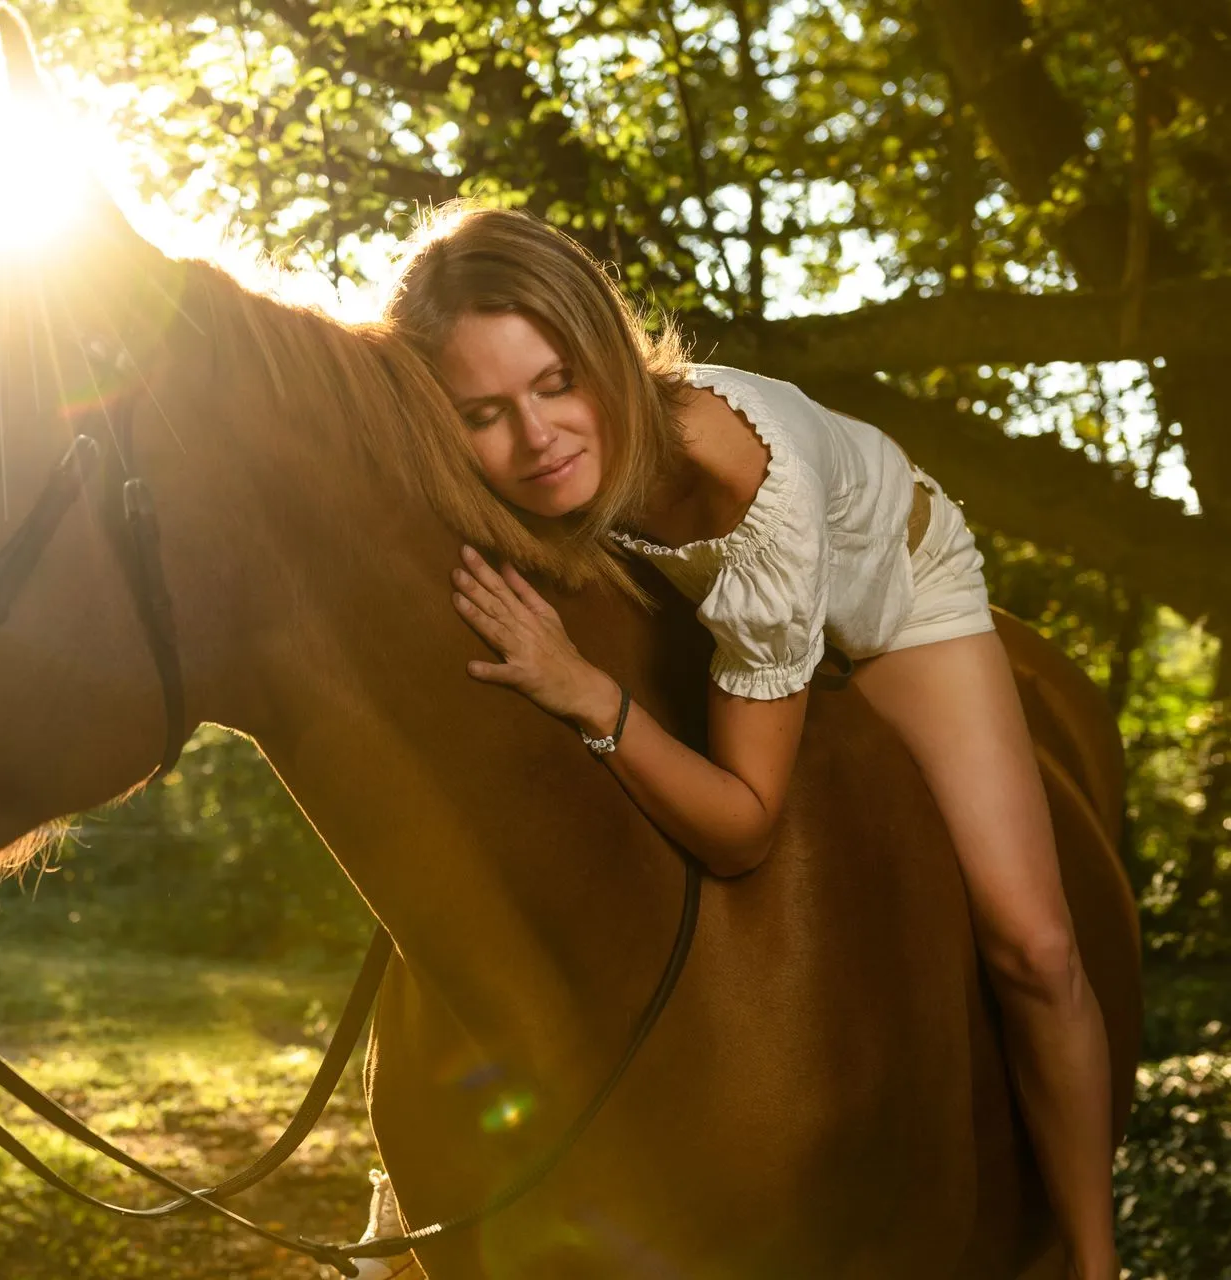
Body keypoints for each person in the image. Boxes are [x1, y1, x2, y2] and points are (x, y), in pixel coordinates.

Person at [347, 202, 1118, 1279]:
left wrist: (587, 692)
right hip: (702, 598)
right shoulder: (502, 476)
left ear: (606, 352)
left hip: (886, 590)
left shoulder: (740, 482)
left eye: (556, 382)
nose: (535, 439)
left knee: (1032, 947)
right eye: (484, 410)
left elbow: (747, 828)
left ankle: (1095, 1256)